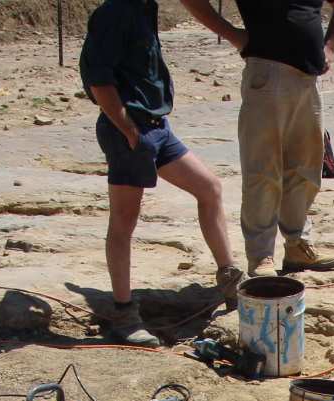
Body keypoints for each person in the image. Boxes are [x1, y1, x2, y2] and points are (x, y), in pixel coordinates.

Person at [79, 0, 243, 346]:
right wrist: (127, 129)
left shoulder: (144, 7)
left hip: (157, 127)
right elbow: (98, 80)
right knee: (123, 221)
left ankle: (230, 280)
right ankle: (123, 313)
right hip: (131, 131)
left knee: (209, 188)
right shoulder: (114, 12)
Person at [181, 0, 334, 278]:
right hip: (266, 75)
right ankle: (261, 256)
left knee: (305, 170)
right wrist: (234, 35)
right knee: (262, 172)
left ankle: (298, 245)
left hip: (309, 79)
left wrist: (330, 47)